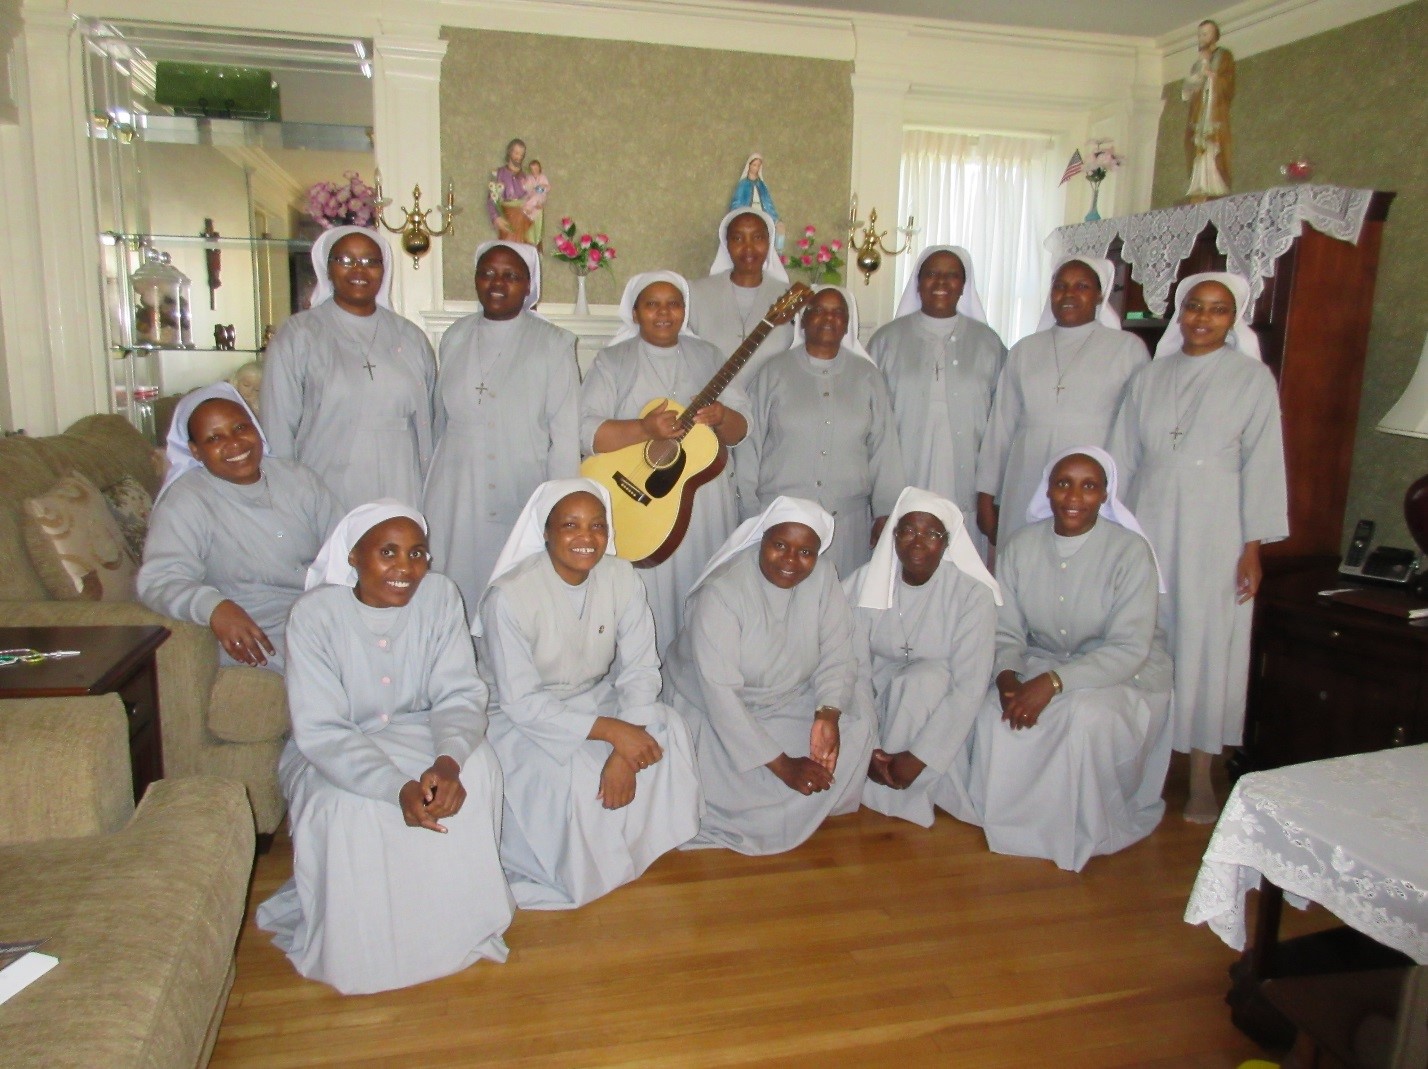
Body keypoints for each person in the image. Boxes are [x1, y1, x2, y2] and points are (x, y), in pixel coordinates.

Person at [256, 502, 513, 994]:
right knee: (345, 807)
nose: (406, 568)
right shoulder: (314, 615)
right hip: (336, 747)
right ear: (353, 556)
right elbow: (321, 729)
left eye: (417, 553)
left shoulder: (440, 595)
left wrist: (448, 761)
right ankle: (365, 953)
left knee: (478, 770)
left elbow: (460, 694)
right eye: (388, 552)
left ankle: (454, 926)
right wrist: (396, 786)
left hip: (427, 732)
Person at [474, 480, 700, 908]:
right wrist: (614, 732)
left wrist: (624, 750)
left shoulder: (622, 577)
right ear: (546, 531)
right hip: (518, 716)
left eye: (598, 525)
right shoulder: (508, 596)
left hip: (593, 697)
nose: (587, 537)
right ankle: (582, 868)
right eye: (571, 525)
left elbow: (641, 669)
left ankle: (638, 846)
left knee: (668, 727)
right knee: (576, 773)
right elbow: (522, 701)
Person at [1110, 272, 1286, 822]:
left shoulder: (1251, 380)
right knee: (1147, 636)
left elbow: (1263, 466)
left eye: (1217, 309)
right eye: (1194, 306)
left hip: (1217, 530)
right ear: (1179, 312)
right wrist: (1115, 532)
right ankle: (1140, 763)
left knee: (1208, 645)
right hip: (1150, 521)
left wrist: (1252, 548)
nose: (1203, 318)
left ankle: (1202, 775)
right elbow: (1122, 461)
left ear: (1233, 319)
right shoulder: (1149, 377)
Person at [968, 448, 1172, 872]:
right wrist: (1007, 677)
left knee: (1084, 716)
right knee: (992, 711)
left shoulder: (1130, 551)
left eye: (1088, 486)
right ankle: (1017, 825)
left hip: (1122, 671)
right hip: (1043, 658)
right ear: (1048, 490)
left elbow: (1129, 647)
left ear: (1105, 495)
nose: (1074, 497)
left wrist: (1051, 683)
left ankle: (1080, 828)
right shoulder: (1020, 546)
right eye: (1063, 484)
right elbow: (1005, 629)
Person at [664, 497, 874, 855]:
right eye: (780, 545)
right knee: (743, 791)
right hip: (717, 709)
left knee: (855, 727)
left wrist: (827, 713)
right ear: (762, 539)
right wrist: (783, 766)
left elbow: (838, 650)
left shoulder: (824, 576)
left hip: (789, 696)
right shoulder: (722, 592)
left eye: (805, 552)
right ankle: (774, 813)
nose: (790, 561)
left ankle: (790, 808)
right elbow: (719, 694)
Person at [579, 270, 750, 658]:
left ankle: (699, 669)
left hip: (702, 499)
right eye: (651, 304)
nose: (663, 312)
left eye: (673, 304)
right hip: (640, 503)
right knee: (644, 599)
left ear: (684, 312)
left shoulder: (710, 357)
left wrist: (723, 416)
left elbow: (741, 431)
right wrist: (644, 429)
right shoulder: (612, 361)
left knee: (703, 593)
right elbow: (587, 431)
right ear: (634, 312)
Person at [423, 240, 580, 619]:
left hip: (520, 485)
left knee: (513, 595)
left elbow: (565, 435)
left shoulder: (554, 343)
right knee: (453, 588)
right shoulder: (455, 336)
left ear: (529, 286)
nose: (498, 283)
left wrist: (561, 507)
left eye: (511, 275)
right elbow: (440, 421)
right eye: (488, 273)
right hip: (455, 491)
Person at [139, 383, 342, 673]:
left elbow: (347, 546)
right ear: (195, 451)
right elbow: (160, 580)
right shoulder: (186, 501)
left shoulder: (298, 478)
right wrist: (214, 607)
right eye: (214, 438)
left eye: (240, 428)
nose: (234, 444)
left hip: (325, 614)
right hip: (258, 630)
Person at [845, 487, 1001, 827]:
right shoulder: (864, 583)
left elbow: (969, 686)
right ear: (894, 535)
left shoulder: (972, 594)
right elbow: (854, 671)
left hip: (942, 705)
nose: (918, 542)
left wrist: (919, 757)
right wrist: (869, 745)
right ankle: (883, 770)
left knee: (920, 681)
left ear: (947, 543)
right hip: (876, 697)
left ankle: (904, 784)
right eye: (908, 531)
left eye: (932, 534)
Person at [260, 225, 437, 512]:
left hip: (401, 482)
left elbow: (427, 426)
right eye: (345, 260)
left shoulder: (411, 337)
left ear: (384, 270)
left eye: (370, 261)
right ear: (326, 268)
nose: (359, 269)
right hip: (327, 484)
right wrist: (287, 495)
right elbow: (278, 425)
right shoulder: (299, 334)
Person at [976, 256, 1146, 549]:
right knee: (1024, 558)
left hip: (1091, 486)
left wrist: (1119, 496)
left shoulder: (1128, 349)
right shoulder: (1025, 349)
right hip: (1026, 476)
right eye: (1060, 286)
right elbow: (1000, 428)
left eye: (1082, 286)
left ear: (1100, 295)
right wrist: (986, 495)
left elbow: (1132, 434)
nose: (1069, 294)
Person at [738, 284, 905, 578]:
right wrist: (752, 513)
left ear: (847, 324)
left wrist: (886, 512)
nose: (828, 318)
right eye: (818, 310)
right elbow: (749, 445)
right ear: (803, 320)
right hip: (781, 520)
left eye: (837, 312)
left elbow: (884, 447)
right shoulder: (773, 372)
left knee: (840, 597)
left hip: (847, 524)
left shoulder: (867, 376)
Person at [869, 246, 1007, 562]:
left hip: (966, 480)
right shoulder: (885, 341)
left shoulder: (988, 343)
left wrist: (992, 495)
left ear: (964, 285)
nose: (941, 282)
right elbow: (870, 424)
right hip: (901, 479)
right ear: (918, 284)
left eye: (951, 275)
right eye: (931, 274)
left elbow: (1001, 424)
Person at [686, 208, 793, 378]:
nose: (748, 247)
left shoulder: (791, 296)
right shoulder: (694, 294)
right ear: (726, 244)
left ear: (769, 242)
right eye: (737, 238)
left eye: (757, 237)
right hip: (709, 393)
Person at [1182, 19, 1235, 200]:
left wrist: (1211, 76)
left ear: (1215, 36)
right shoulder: (1197, 63)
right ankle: (1199, 184)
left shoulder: (1224, 56)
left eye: (1205, 34)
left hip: (1214, 112)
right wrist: (1195, 80)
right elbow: (1189, 91)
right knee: (1197, 147)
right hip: (1199, 112)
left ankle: (1214, 184)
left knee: (1213, 146)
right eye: (1200, 34)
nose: (1201, 38)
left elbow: (1227, 84)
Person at [727, 153, 782, 249]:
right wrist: (738, 213)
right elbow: (736, 203)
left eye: (758, 165)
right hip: (747, 214)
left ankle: (777, 254)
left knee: (780, 227)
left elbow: (768, 204)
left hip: (763, 213)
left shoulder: (762, 185)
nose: (756, 168)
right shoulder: (743, 184)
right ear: (749, 166)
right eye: (754, 165)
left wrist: (776, 219)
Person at [487, 137, 533, 244]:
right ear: (509, 152)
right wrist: (496, 218)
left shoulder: (527, 176)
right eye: (516, 153)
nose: (519, 157)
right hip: (507, 220)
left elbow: (532, 198)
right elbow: (492, 199)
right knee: (508, 249)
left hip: (524, 222)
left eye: (522, 154)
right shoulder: (499, 174)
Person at [520, 160, 550, 247]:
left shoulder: (543, 177)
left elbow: (547, 187)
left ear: (539, 168)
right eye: (532, 169)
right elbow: (526, 188)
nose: (534, 171)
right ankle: (528, 212)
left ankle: (528, 208)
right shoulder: (529, 177)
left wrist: (543, 187)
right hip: (531, 196)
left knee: (537, 197)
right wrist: (523, 183)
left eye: (536, 168)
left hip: (540, 196)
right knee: (529, 200)